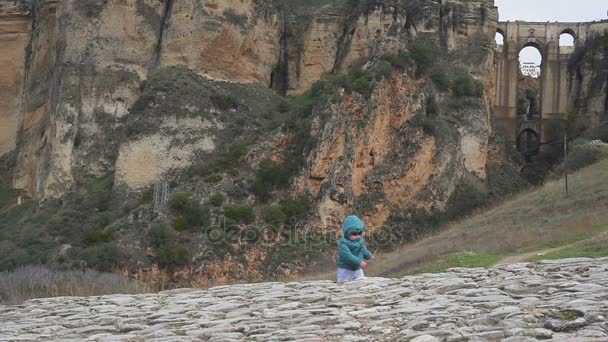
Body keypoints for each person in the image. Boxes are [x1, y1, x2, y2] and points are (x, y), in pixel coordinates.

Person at [336, 215, 376, 283]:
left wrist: (369, 255)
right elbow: (347, 256)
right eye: (354, 234)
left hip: (357, 269)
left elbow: (363, 249)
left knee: (361, 283)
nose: (357, 236)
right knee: (344, 285)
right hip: (346, 269)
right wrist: (359, 262)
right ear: (347, 233)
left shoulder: (360, 241)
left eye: (359, 233)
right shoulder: (343, 243)